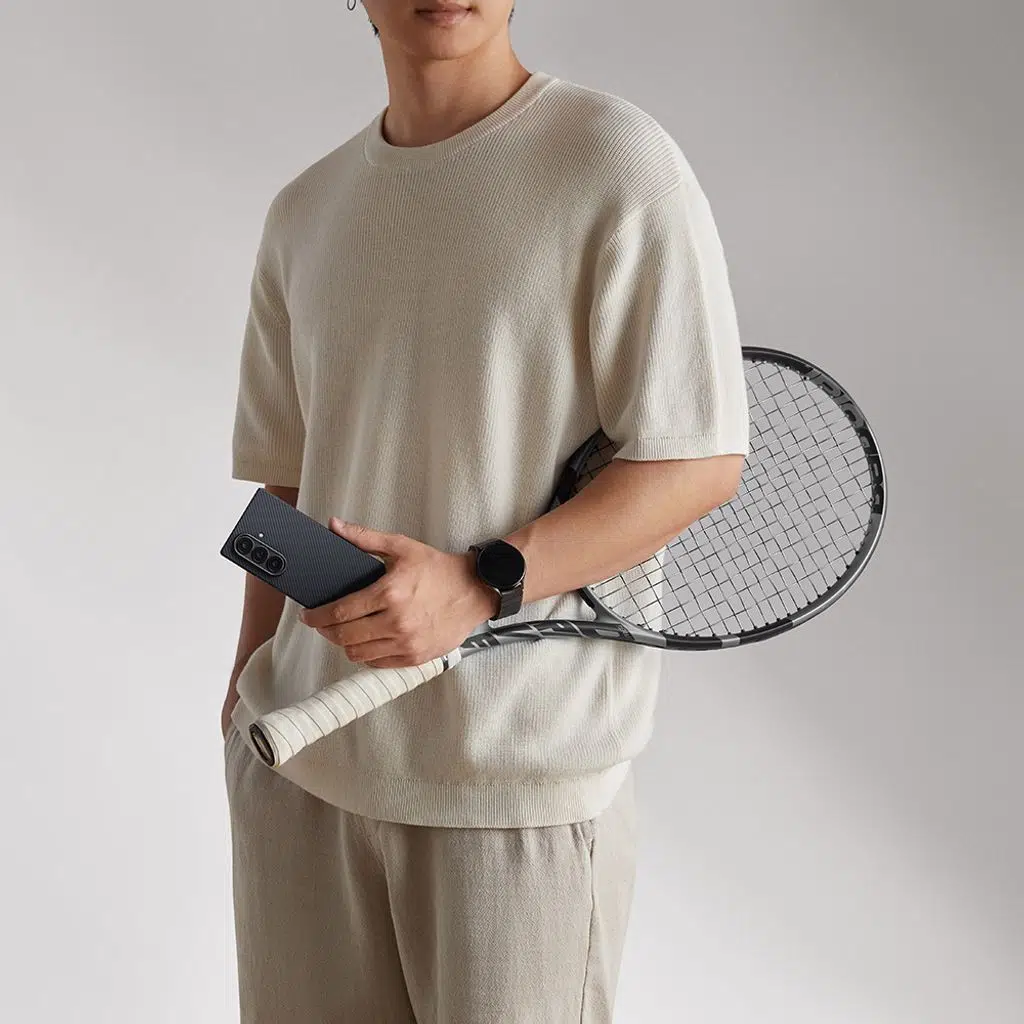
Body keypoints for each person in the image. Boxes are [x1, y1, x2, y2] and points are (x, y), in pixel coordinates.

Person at [222, 1, 749, 1020]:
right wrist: (244, 693)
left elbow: (696, 461)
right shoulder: (306, 211)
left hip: (515, 791)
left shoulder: (614, 162)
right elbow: (286, 486)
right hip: (300, 767)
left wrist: (479, 582)